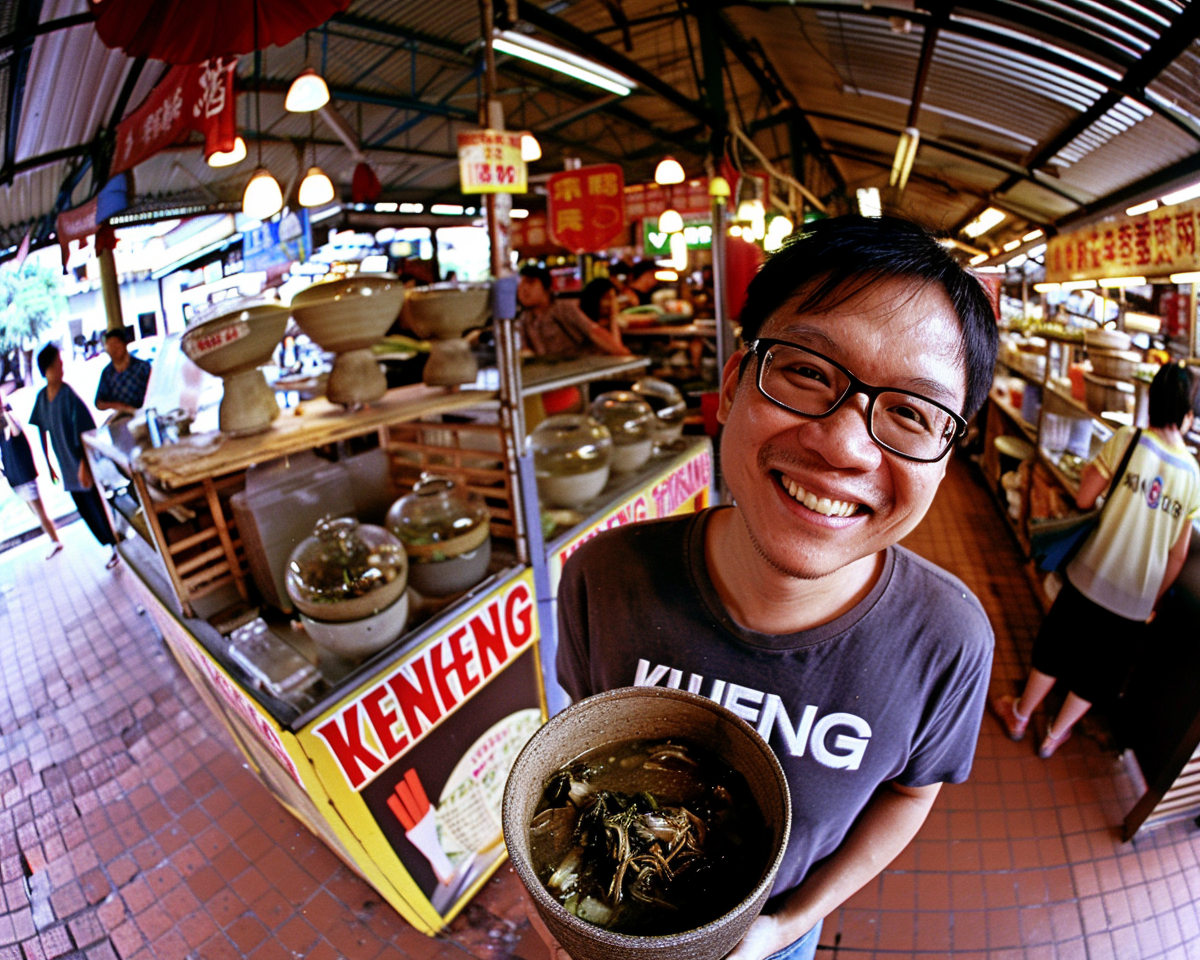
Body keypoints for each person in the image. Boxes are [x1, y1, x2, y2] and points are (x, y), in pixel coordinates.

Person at [554, 215, 998, 960]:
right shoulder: (604, 577)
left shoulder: (947, 642)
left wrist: (788, 926)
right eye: (807, 372)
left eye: (912, 413)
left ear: (944, 463)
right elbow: (571, 758)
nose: (844, 444)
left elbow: (911, 793)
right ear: (732, 387)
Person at [992, 362, 1200, 758]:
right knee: (1099, 672)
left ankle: (1020, 715)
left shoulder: (1129, 440)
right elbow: (1177, 554)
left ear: (1152, 401)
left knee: (1056, 647)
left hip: (1091, 574)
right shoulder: (1193, 475)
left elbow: (1086, 498)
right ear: (1187, 415)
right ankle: (1053, 737)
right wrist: (1153, 600)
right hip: (1135, 599)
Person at [30, 344, 119, 569]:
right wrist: (49, 463)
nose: (61, 368)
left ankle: (115, 545)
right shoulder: (42, 398)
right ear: (47, 370)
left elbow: (84, 428)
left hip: (80, 463)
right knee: (85, 510)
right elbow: (41, 429)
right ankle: (110, 544)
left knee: (96, 506)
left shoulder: (67, 394)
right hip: (65, 466)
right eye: (57, 364)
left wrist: (83, 464)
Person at [517, 265, 629, 358]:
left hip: (581, 371)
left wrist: (623, 353)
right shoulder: (525, 318)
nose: (524, 289)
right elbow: (526, 351)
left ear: (547, 288)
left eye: (530, 283)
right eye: (521, 284)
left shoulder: (562, 308)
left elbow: (594, 332)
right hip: (553, 377)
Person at [0, 402, 62, 559]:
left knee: (40, 512)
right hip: (16, 479)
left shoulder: (13, 426)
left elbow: (15, 428)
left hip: (25, 477)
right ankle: (54, 538)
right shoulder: (2, 433)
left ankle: (55, 540)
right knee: (36, 512)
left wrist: (5, 410)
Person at [94, 328, 152, 416]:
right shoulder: (107, 372)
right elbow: (99, 403)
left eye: (116, 344)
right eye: (109, 346)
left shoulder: (142, 366)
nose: (113, 349)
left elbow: (155, 392)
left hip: (144, 414)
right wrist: (119, 406)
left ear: (124, 344)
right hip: (121, 417)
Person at [578, 277, 622, 345]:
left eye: (613, 298)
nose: (612, 303)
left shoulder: (609, 322)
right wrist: (613, 317)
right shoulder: (586, 325)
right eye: (607, 298)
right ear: (593, 299)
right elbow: (616, 349)